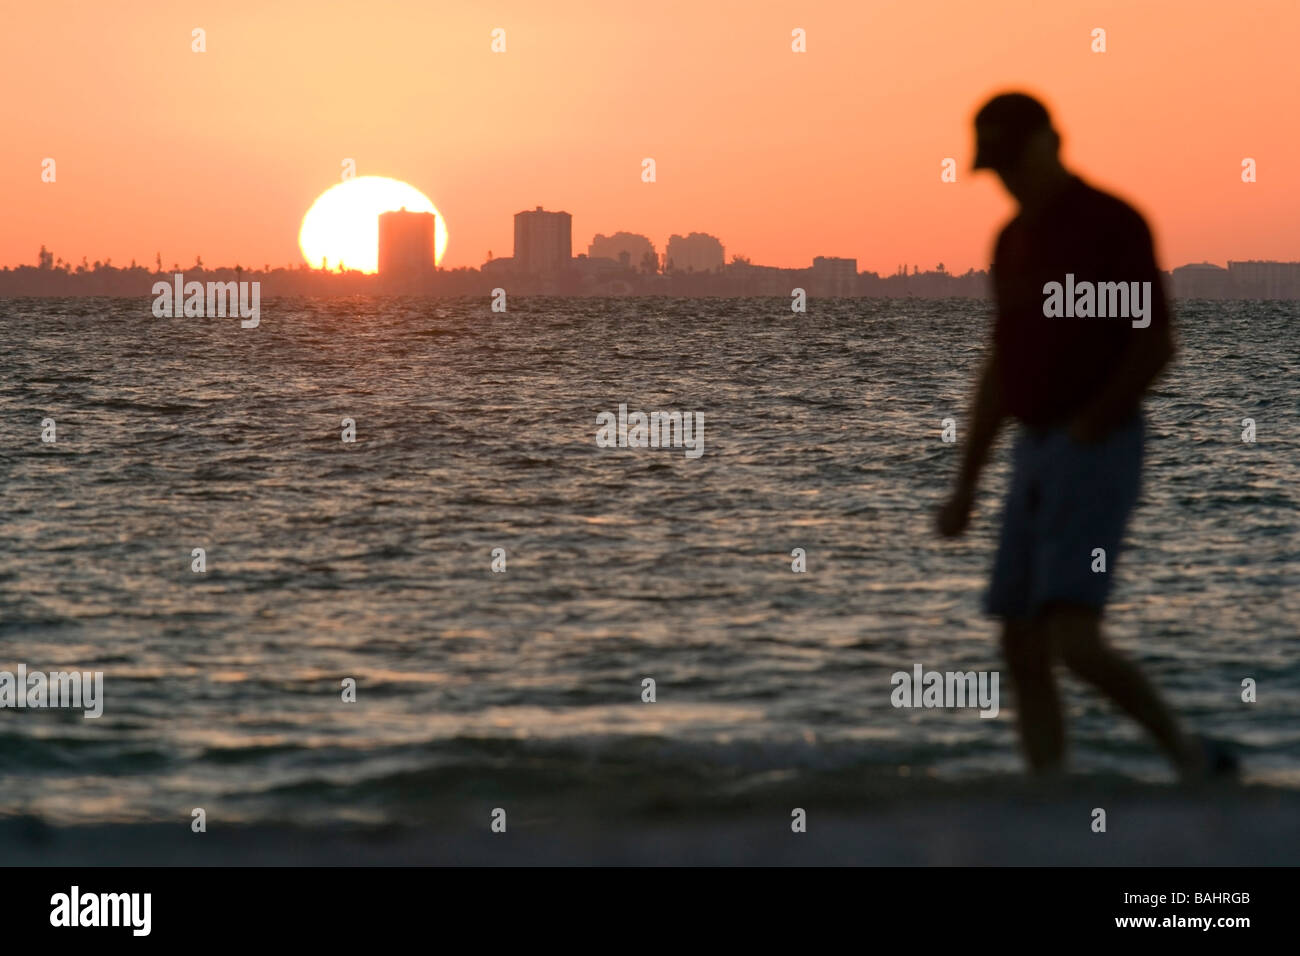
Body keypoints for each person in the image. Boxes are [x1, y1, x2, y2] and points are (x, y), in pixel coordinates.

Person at [936, 92, 1234, 780]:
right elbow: (999, 372)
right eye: (996, 167)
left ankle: (1190, 761)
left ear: (1049, 143)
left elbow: (1155, 343)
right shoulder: (1011, 241)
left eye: (1012, 161)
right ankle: (1051, 787)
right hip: (1032, 452)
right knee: (1019, 641)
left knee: (1073, 639)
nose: (1007, 179)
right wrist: (966, 486)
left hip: (1097, 449)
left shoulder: (1111, 224)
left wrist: (1091, 424)